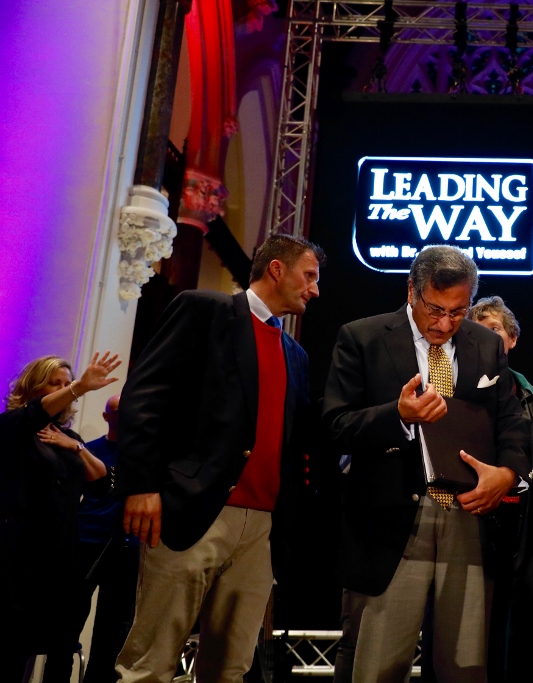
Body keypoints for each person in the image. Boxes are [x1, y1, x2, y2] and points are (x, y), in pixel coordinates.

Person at [115, 234, 323, 683]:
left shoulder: (297, 355)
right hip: (195, 511)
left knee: (229, 671)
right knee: (149, 667)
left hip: (262, 531)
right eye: (309, 276)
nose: (315, 289)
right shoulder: (204, 310)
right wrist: (142, 486)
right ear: (276, 270)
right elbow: (144, 398)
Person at [322, 245, 531, 683]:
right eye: (435, 309)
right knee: (378, 667)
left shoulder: (487, 345)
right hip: (391, 522)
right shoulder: (363, 337)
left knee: (465, 666)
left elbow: (512, 424)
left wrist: (507, 474)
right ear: (411, 291)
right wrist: (398, 416)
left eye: (458, 312)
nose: (445, 324)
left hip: (468, 520)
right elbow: (335, 426)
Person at [0, 352, 120, 682]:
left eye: (67, 384)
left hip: (56, 560)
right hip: (16, 558)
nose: (65, 390)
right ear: (33, 388)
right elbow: (33, 414)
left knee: (46, 645)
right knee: (8, 648)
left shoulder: (70, 439)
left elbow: (104, 484)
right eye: (55, 384)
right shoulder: (13, 427)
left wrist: (76, 448)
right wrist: (80, 386)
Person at [467, 296, 533, 683]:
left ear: (512, 339)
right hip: (468, 520)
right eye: (478, 330)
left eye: (495, 329)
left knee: (516, 632)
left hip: (520, 529)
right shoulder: (452, 389)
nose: (487, 337)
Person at [44, 395, 140, 683]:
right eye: (117, 411)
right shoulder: (90, 449)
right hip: (86, 542)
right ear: (106, 416)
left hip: (125, 547)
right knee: (66, 626)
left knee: (112, 633)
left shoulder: (141, 457)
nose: (124, 416)